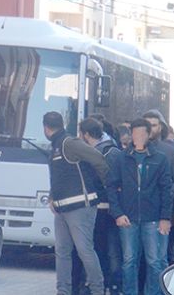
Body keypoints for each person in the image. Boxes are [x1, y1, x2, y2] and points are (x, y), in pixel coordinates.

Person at [43, 111, 108, 295]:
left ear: (45, 128)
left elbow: (98, 160)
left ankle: (97, 290)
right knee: (63, 251)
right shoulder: (58, 144)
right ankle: (63, 291)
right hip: (63, 208)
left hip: (80, 207)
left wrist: (103, 187)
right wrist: (52, 197)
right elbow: (59, 176)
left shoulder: (68, 143)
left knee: (83, 251)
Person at [108, 118, 172, 295]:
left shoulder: (160, 158)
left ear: (148, 134)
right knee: (129, 261)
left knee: (154, 261)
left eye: (142, 133)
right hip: (128, 218)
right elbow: (111, 186)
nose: (138, 136)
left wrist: (165, 217)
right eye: (135, 133)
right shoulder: (122, 158)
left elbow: (167, 189)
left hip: (152, 218)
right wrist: (117, 213)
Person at [76, 117, 123, 295]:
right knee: (108, 250)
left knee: (101, 249)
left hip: (101, 207)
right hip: (110, 207)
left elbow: (107, 181)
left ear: (86, 134)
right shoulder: (114, 150)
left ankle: (100, 285)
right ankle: (110, 286)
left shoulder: (100, 153)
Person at [143, 109, 174, 266]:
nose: (150, 128)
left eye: (153, 125)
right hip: (139, 215)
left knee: (161, 257)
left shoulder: (171, 150)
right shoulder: (134, 150)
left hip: (163, 212)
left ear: (160, 127)